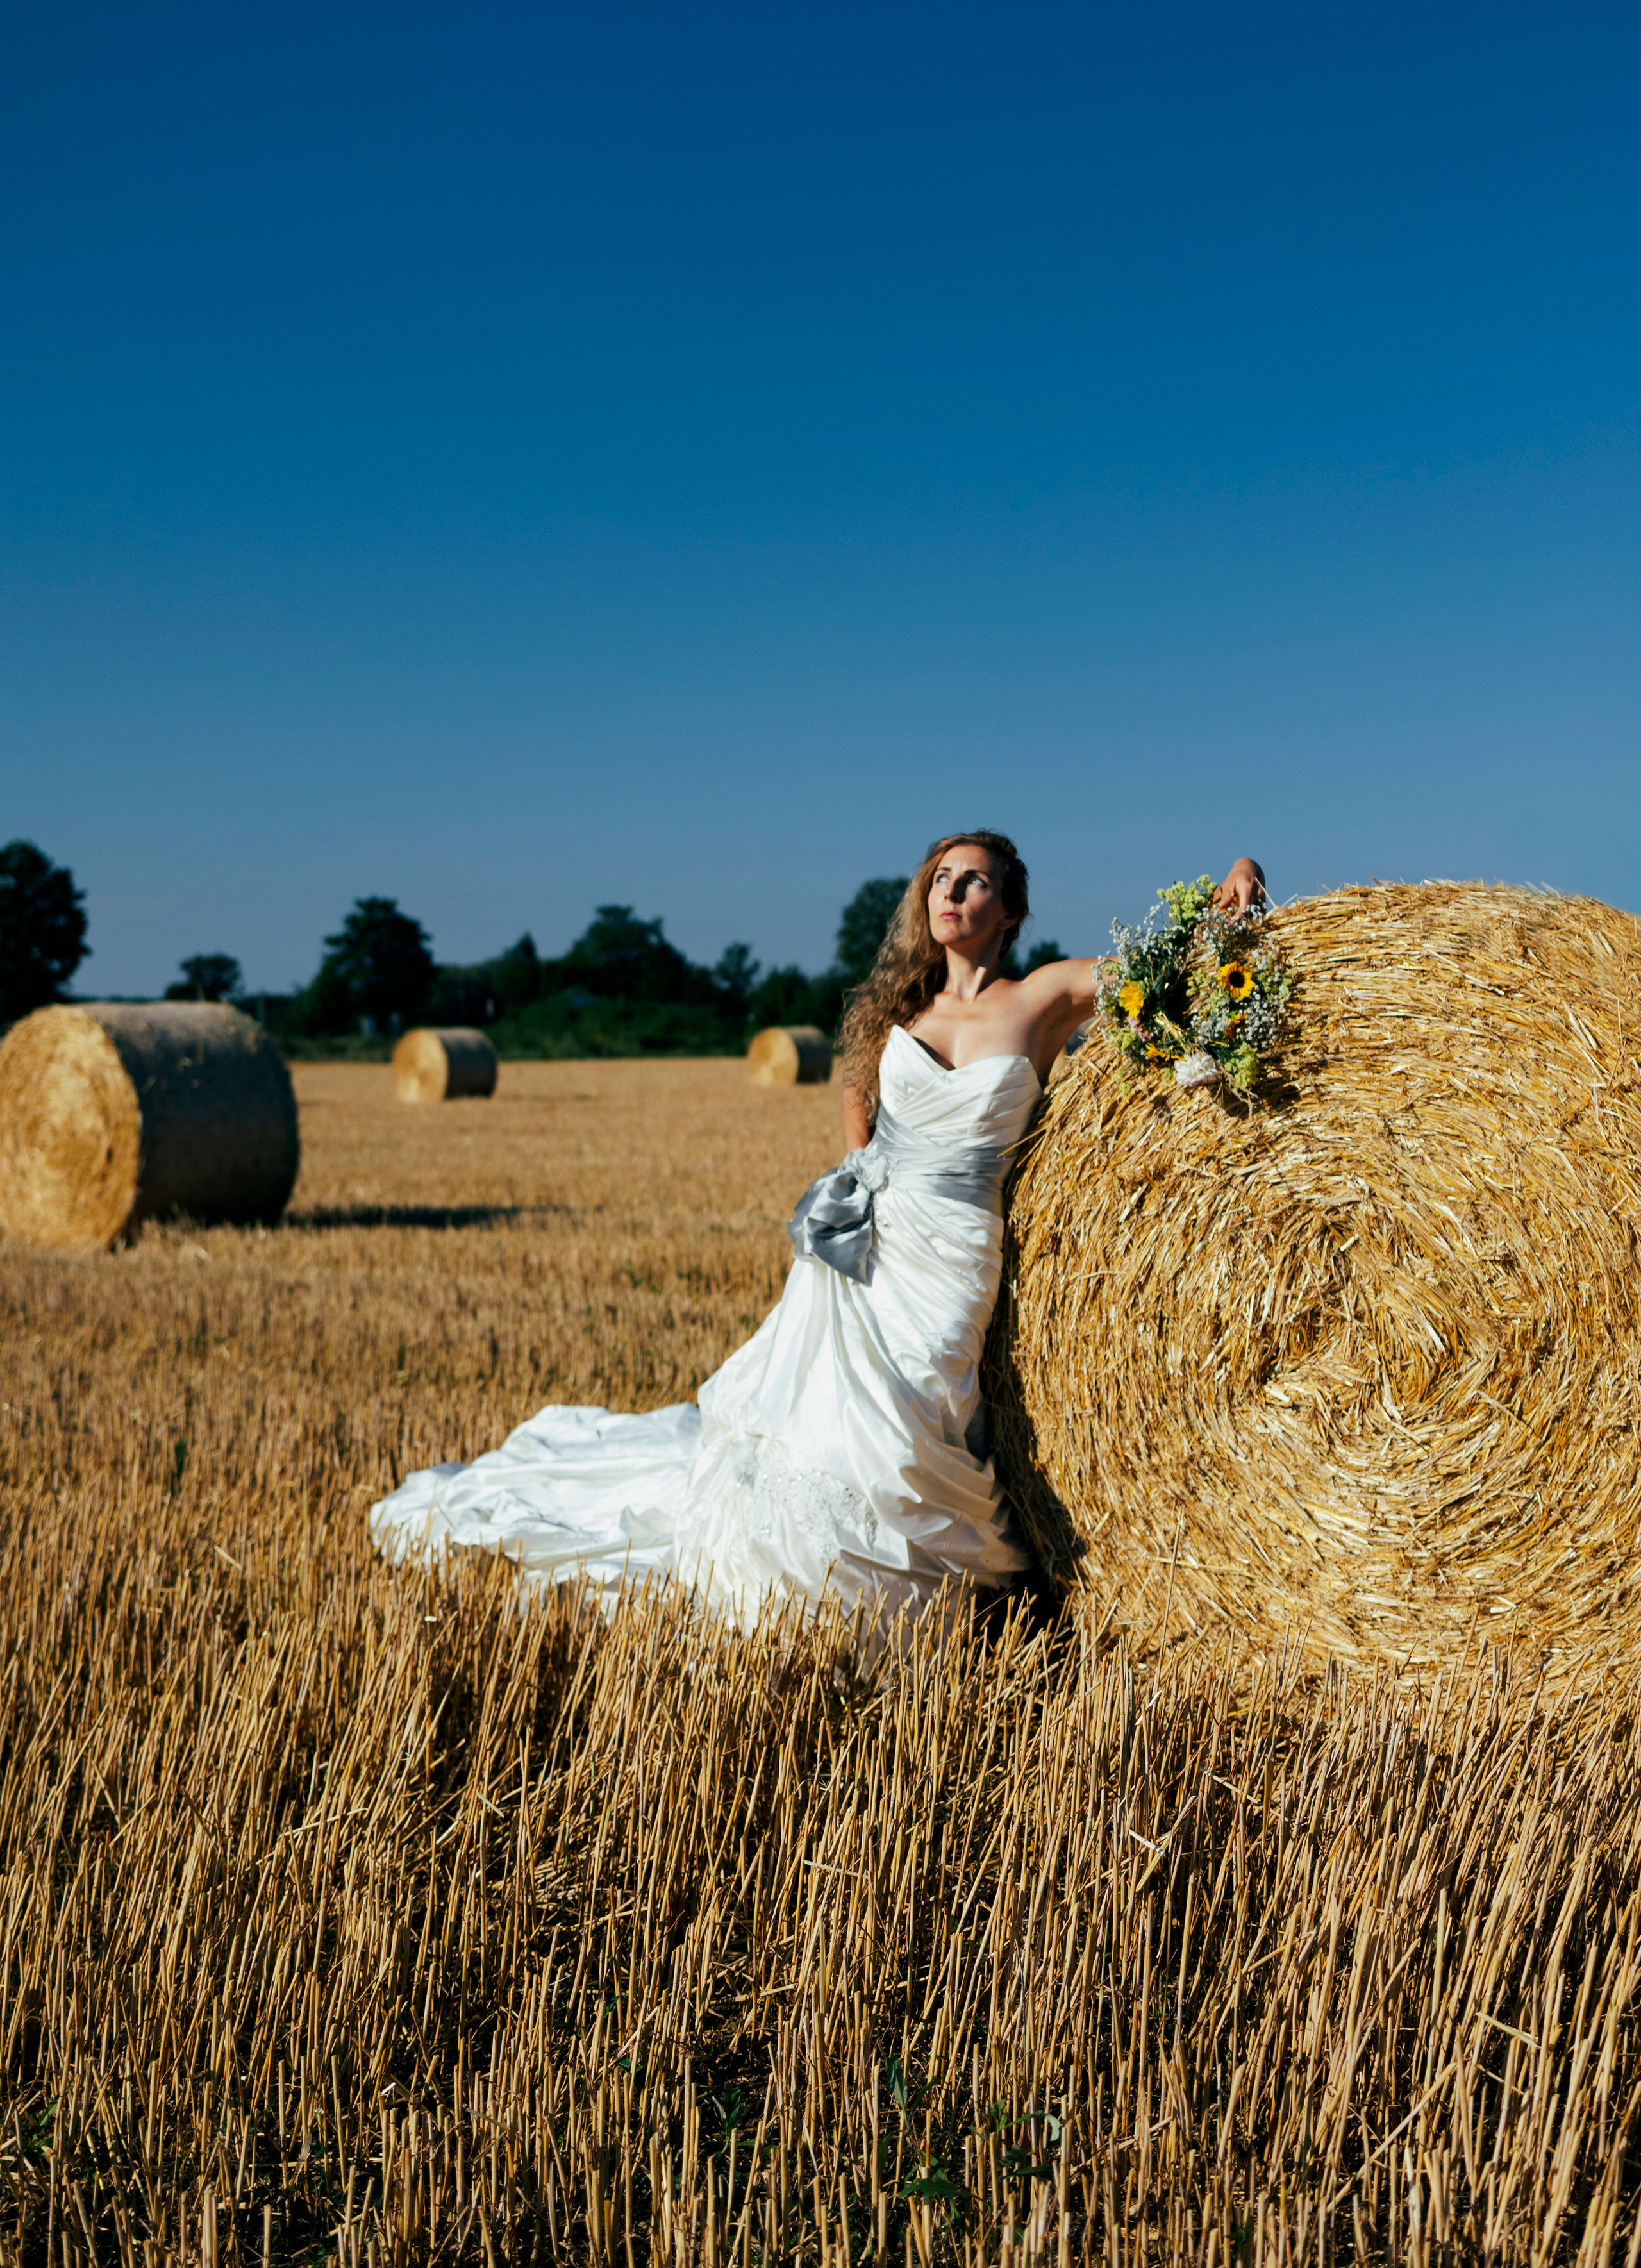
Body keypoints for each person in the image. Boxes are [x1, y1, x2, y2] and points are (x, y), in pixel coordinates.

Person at [370, 835, 1265, 1629]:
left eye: (977, 882)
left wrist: (1239, 874)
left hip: (955, 1246)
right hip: (871, 1232)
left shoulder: (1041, 998)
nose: (953, 893)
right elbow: (855, 1081)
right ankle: (831, 1586)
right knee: (835, 1417)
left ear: (1012, 909)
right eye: (942, 879)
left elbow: (1161, 966)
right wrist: (861, 1162)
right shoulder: (904, 1006)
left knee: (924, 1401)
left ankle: (911, 1575)